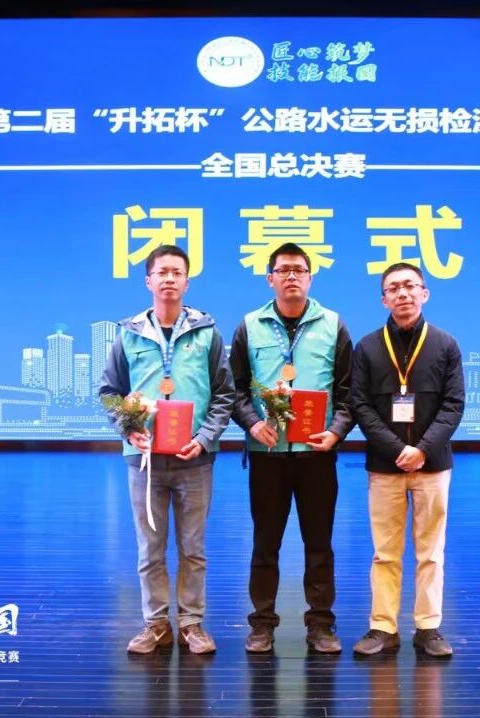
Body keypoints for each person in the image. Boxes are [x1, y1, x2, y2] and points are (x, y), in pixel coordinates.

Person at [98, 245, 235, 654]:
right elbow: (110, 392)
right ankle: (156, 624)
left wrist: (204, 438)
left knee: (194, 549)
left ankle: (192, 624)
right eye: (162, 272)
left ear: (187, 282)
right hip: (144, 460)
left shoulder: (207, 332)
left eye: (177, 272)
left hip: (195, 458)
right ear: (149, 281)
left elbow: (224, 394)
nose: (170, 279)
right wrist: (129, 429)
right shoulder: (129, 333)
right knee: (150, 549)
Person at [229, 242, 354, 654]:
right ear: (270, 278)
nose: (291, 276)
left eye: (299, 269)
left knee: (319, 544)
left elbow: (349, 392)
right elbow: (235, 390)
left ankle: (321, 625)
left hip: (317, 455)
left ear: (310, 277)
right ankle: (262, 624)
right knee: (266, 544)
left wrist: (336, 432)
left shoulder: (333, 324)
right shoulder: (250, 325)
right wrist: (252, 423)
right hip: (267, 455)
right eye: (283, 270)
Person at [348, 262, 465, 657]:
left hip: (433, 465)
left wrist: (422, 449)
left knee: (430, 552)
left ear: (424, 293)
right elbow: (360, 405)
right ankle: (383, 627)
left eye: (411, 286)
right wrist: (397, 449)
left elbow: (453, 405)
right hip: (385, 466)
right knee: (385, 553)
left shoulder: (445, 344)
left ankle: (428, 627)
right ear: (383, 299)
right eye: (394, 288)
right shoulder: (367, 347)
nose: (403, 294)